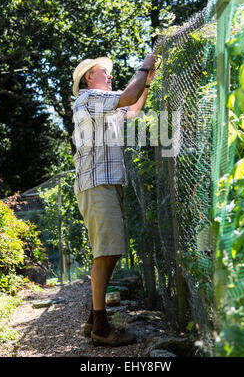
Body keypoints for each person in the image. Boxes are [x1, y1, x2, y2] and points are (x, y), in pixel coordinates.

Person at [72, 54, 156, 346]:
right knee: (106, 252)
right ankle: (100, 326)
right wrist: (144, 67)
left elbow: (132, 107)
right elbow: (129, 94)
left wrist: (145, 83)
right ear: (88, 79)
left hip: (105, 184)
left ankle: (93, 319)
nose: (109, 76)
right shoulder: (89, 98)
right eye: (103, 72)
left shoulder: (104, 105)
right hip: (98, 184)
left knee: (110, 251)